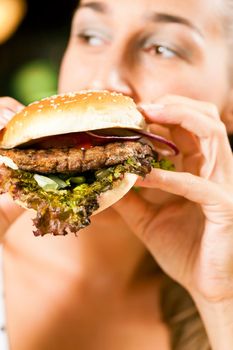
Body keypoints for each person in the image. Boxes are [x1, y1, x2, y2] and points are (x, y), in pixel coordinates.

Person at [1, 0, 233, 349]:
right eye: (91, 35)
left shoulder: (220, 290)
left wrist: (222, 301)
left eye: (162, 48)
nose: (104, 78)